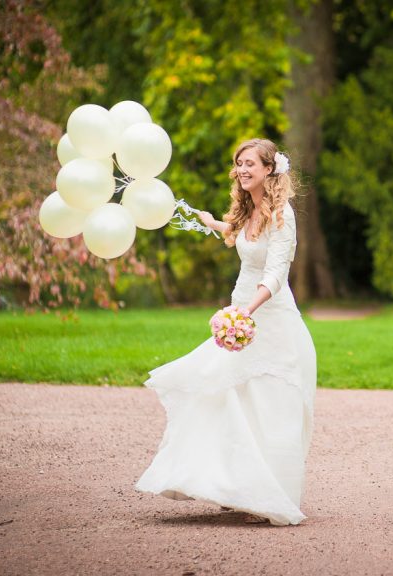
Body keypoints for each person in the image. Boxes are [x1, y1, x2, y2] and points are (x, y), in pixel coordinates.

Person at [135, 138, 316, 526]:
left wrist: (245, 313)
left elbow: (275, 274)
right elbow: (238, 236)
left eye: (250, 163)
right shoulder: (248, 210)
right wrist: (212, 223)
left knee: (267, 404)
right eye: (238, 164)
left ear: (269, 169)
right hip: (241, 311)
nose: (242, 169)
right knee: (227, 394)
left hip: (269, 318)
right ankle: (232, 485)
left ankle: (270, 493)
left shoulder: (283, 214)